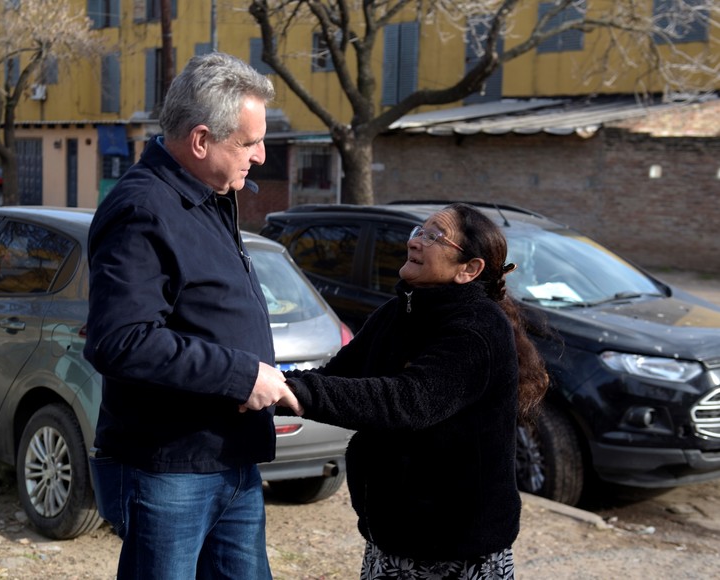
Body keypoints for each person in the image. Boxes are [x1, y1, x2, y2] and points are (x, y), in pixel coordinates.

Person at [82, 52, 302, 580]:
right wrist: (242, 375)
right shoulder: (142, 208)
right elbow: (121, 341)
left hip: (231, 457)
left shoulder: (211, 195)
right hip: (170, 468)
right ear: (201, 140)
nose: (261, 156)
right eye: (249, 143)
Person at [280, 202, 549, 579]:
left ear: (469, 269)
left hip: (455, 545)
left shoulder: (478, 329)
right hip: (395, 534)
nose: (415, 242)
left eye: (435, 236)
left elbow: (408, 401)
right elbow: (336, 377)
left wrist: (292, 390)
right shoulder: (395, 314)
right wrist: (266, 386)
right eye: (418, 232)